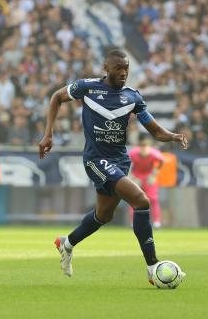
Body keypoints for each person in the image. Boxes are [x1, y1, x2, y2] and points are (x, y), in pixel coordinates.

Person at [38, 49, 188, 284]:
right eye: (119, 68)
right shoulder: (87, 87)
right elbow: (56, 97)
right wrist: (48, 134)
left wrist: (173, 136)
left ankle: (66, 243)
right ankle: (152, 266)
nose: (123, 73)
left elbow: (156, 131)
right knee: (141, 201)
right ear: (106, 68)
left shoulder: (133, 97)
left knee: (104, 215)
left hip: (119, 160)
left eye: (126, 68)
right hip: (95, 160)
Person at [129, 134, 164, 228]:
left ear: (149, 147)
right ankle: (133, 222)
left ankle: (157, 222)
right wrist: (132, 177)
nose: (144, 149)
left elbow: (161, 161)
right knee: (134, 200)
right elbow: (125, 164)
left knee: (153, 199)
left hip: (149, 177)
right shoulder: (133, 153)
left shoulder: (154, 153)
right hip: (137, 176)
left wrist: (154, 174)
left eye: (146, 146)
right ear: (139, 147)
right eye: (142, 146)